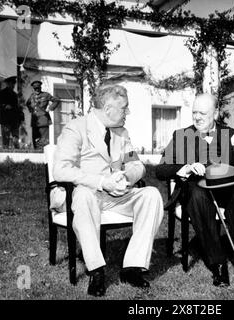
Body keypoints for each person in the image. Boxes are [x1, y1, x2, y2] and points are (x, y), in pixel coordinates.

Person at [53, 84, 164, 297]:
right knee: (84, 196)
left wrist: (127, 177)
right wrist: (102, 182)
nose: (127, 113)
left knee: (151, 195)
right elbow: (61, 169)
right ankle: (96, 271)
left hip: (116, 195)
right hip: (86, 193)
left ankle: (132, 268)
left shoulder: (122, 133)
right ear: (107, 109)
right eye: (124, 108)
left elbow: (137, 165)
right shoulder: (76, 128)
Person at [156, 93, 234, 287]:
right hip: (198, 191)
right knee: (197, 196)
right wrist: (185, 167)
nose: (197, 117)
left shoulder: (233, 135)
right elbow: (160, 169)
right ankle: (218, 263)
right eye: (194, 112)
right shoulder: (181, 136)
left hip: (229, 190)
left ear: (215, 113)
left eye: (203, 113)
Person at [26, 80, 59, 149]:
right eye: (35, 89)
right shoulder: (32, 96)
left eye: (38, 88)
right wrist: (31, 110)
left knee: (44, 142)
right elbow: (27, 103)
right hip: (35, 122)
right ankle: (38, 157)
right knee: (35, 141)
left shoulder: (46, 95)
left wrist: (50, 108)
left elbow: (56, 100)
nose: (37, 90)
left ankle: (45, 157)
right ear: (33, 89)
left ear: (40, 88)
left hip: (43, 120)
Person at [0, 76, 24, 148]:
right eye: (12, 84)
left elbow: (18, 107)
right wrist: (5, 106)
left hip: (15, 120)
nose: (13, 86)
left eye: (14, 84)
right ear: (8, 84)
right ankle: (6, 154)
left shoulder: (15, 95)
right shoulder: (1, 93)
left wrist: (21, 118)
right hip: (5, 119)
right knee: (6, 138)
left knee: (16, 139)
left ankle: (18, 154)